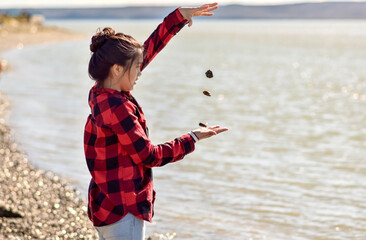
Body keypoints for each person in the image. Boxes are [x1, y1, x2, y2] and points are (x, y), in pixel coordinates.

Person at [84, 3, 227, 240]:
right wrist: (191, 139)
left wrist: (176, 19)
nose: (140, 73)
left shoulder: (100, 93)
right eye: (137, 68)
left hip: (105, 204)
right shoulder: (119, 108)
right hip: (124, 211)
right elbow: (149, 156)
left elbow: (144, 53)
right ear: (117, 69)